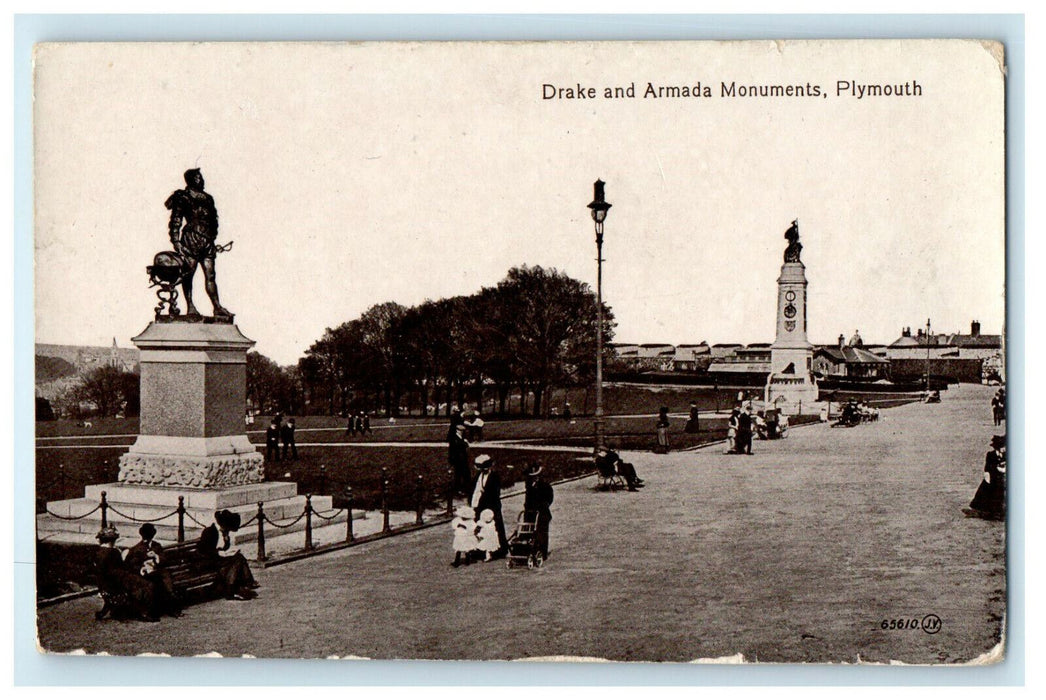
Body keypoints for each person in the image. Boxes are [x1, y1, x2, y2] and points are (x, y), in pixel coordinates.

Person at [164, 168, 232, 318]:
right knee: (188, 274)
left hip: (207, 241)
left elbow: (214, 221)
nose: (201, 180)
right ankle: (190, 306)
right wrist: (176, 241)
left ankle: (217, 306)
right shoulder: (183, 197)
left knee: (211, 275)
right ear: (191, 179)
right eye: (198, 177)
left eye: (201, 177)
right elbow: (176, 220)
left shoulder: (208, 198)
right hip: (190, 240)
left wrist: (212, 239)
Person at [94, 526, 159, 621]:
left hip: (105, 583)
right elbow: (121, 567)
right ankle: (143, 612)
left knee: (140, 582)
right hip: (118, 580)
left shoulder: (99, 552)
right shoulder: (113, 552)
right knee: (146, 584)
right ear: (112, 540)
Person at [196, 509, 259, 600]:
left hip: (218, 560)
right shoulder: (210, 532)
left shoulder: (224, 533)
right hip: (208, 561)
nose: (228, 531)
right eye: (227, 529)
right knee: (237, 560)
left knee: (238, 557)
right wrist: (218, 552)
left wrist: (226, 545)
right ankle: (238, 586)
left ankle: (239, 586)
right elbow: (204, 551)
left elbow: (224, 547)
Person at [124, 523, 180, 617]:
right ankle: (168, 607)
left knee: (164, 576)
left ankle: (171, 603)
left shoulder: (157, 546)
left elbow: (164, 559)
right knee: (159, 580)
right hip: (146, 574)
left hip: (157, 571)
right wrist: (141, 569)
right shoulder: (136, 549)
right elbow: (131, 564)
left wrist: (156, 556)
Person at [469, 455, 507, 557]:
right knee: (481, 527)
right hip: (481, 505)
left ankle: (500, 549)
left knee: (495, 527)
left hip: (492, 505)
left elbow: (494, 493)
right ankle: (482, 550)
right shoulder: (478, 477)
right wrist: (474, 504)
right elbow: (475, 490)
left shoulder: (495, 477)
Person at [968, 435, 1006, 519]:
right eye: (1003, 447)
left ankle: (999, 510)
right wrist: (988, 476)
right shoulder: (991, 455)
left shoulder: (1006, 455)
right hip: (993, 476)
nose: (1004, 449)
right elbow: (987, 468)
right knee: (985, 489)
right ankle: (980, 508)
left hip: (1002, 477)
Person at [523, 463, 554, 559]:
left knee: (542, 532)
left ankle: (542, 552)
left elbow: (549, 497)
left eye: (535, 476)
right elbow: (528, 498)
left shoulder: (544, 485)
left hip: (542, 512)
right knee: (528, 530)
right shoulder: (528, 484)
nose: (533, 478)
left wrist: (544, 505)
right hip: (530, 512)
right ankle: (528, 550)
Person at [448, 422, 471, 495]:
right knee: (458, 474)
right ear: (457, 431)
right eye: (460, 431)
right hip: (457, 459)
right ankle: (458, 489)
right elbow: (455, 449)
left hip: (463, 459)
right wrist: (464, 443)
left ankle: (465, 488)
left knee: (465, 474)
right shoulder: (454, 439)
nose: (462, 432)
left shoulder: (461, 438)